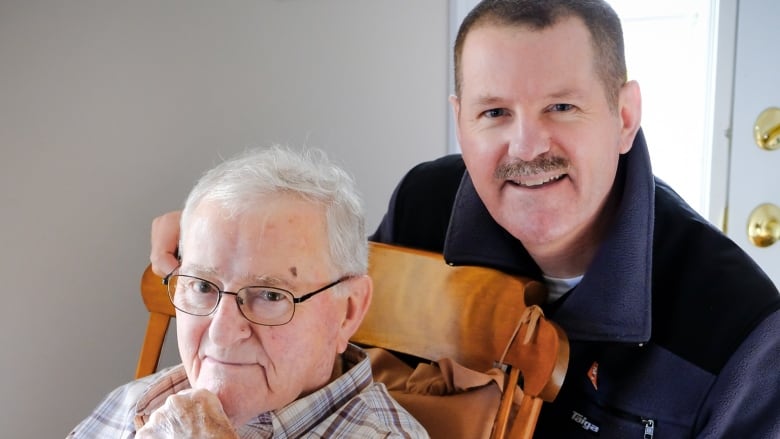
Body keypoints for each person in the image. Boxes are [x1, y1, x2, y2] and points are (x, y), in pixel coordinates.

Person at [149, 0, 780, 437]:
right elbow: (316, 339)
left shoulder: (741, 330)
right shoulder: (426, 203)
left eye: (561, 106)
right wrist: (223, 248)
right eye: (494, 113)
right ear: (460, 119)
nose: (528, 148)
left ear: (623, 115)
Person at [71, 146, 428, 438]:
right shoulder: (135, 402)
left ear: (348, 312)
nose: (222, 333)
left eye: (270, 295)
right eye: (201, 286)